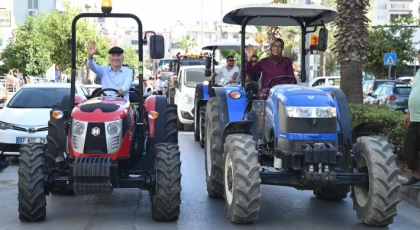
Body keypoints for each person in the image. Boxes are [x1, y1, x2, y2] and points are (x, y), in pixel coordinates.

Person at [402, 50, 420, 188]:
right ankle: (416, 175)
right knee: (408, 148)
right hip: (414, 118)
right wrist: (409, 113)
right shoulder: (418, 73)